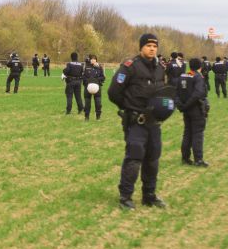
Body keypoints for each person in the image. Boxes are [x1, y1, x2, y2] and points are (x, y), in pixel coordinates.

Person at [108, 33, 174, 210]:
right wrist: (128, 107)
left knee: (152, 159)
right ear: (141, 47)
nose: (152, 49)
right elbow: (113, 92)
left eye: (155, 46)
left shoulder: (160, 68)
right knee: (134, 158)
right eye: (148, 46)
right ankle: (126, 197)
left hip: (154, 123)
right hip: (136, 121)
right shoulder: (130, 66)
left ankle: (149, 196)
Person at [177, 58, 209, 167]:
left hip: (186, 110)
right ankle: (198, 160)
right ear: (200, 67)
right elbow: (198, 93)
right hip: (196, 109)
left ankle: (185, 158)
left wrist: (181, 106)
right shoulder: (198, 77)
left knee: (187, 133)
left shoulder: (182, 76)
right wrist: (186, 105)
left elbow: (176, 92)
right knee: (197, 134)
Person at [83, 55, 106, 120]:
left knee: (98, 103)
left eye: (94, 59)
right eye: (92, 59)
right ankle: (86, 117)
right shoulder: (86, 67)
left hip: (97, 87)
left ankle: (98, 117)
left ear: (96, 60)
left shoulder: (99, 67)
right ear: (90, 60)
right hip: (87, 88)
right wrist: (88, 81)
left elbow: (103, 77)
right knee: (87, 103)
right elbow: (83, 77)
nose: (93, 60)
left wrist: (96, 80)